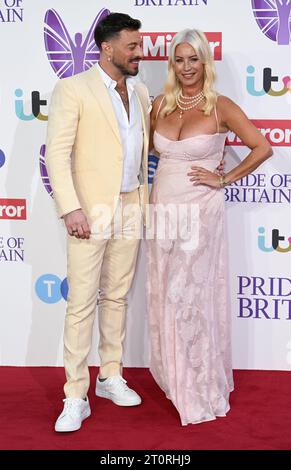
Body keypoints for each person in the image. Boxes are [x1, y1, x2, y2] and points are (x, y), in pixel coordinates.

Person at [146, 28, 272, 426]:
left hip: (202, 211)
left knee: (191, 297)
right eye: (179, 60)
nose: (186, 67)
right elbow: (150, 150)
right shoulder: (160, 105)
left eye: (193, 59)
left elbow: (262, 147)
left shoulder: (221, 107)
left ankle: (198, 385)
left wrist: (225, 176)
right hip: (164, 209)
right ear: (173, 64)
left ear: (205, 62)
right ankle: (175, 376)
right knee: (167, 294)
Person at [45, 13, 151, 432]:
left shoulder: (140, 91)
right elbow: (57, 153)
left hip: (130, 206)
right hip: (89, 211)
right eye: (132, 46)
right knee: (81, 304)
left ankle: (109, 375)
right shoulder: (73, 89)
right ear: (108, 48)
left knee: (118, 297)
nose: (139, 53)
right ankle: (75, 394)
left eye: (139, 46)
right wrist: (70, 208)